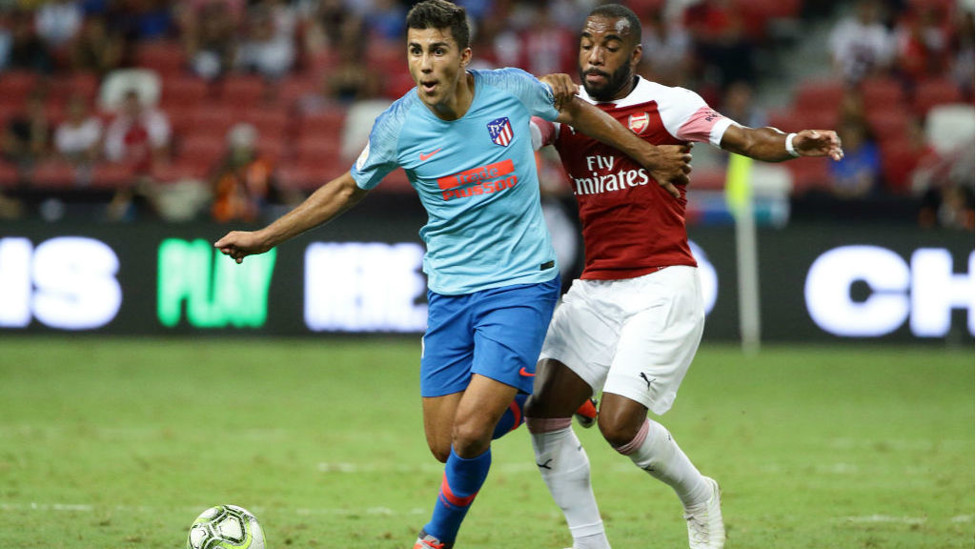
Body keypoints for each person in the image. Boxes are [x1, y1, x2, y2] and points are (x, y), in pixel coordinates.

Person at [214, 2, 691, 548]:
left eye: (437, 51)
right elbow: (346, 188)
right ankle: (544, 393)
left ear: (463, 57)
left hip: (521, 285)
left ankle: (436, 537)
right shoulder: (397, 125)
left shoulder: (510, 90)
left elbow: (579, 114)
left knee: (470, 432)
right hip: (448, 295)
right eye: (415, 51)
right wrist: (261, 239)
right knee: (446, 443)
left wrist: (648, 156)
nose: (424, 65)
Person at [524, 5, 844, 549]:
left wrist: (793, 143)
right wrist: (526, 96)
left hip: (662, 283)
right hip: (596, 287)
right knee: (542, 413)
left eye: (610, 45)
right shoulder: (563, 110)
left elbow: (744, 138)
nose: (595, 55)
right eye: (586, 44)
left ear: (635, 54)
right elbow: (507, 139)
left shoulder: (670, 104)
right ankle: (590, 541)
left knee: (619, 426)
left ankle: (699, 495)